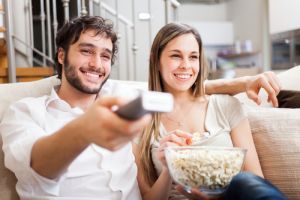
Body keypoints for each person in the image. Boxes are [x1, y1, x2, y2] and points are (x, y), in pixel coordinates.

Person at [0, 16, 281, 200]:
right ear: (61, 55)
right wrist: (86, 128)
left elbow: (179, 85)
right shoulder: (25, 112)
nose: (96, 64)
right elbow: (37, 166)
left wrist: (243, 82)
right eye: (86, 51)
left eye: (105, 56)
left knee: (245, 186)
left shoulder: (122, 96)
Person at [135, 22, 286, 200]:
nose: (186, 65)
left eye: (193, 57)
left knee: (243, 182)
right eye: (176, 56)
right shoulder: (139, 121)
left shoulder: (226, 106)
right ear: (156, 60)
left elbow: (255, 183)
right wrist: (170, 168)